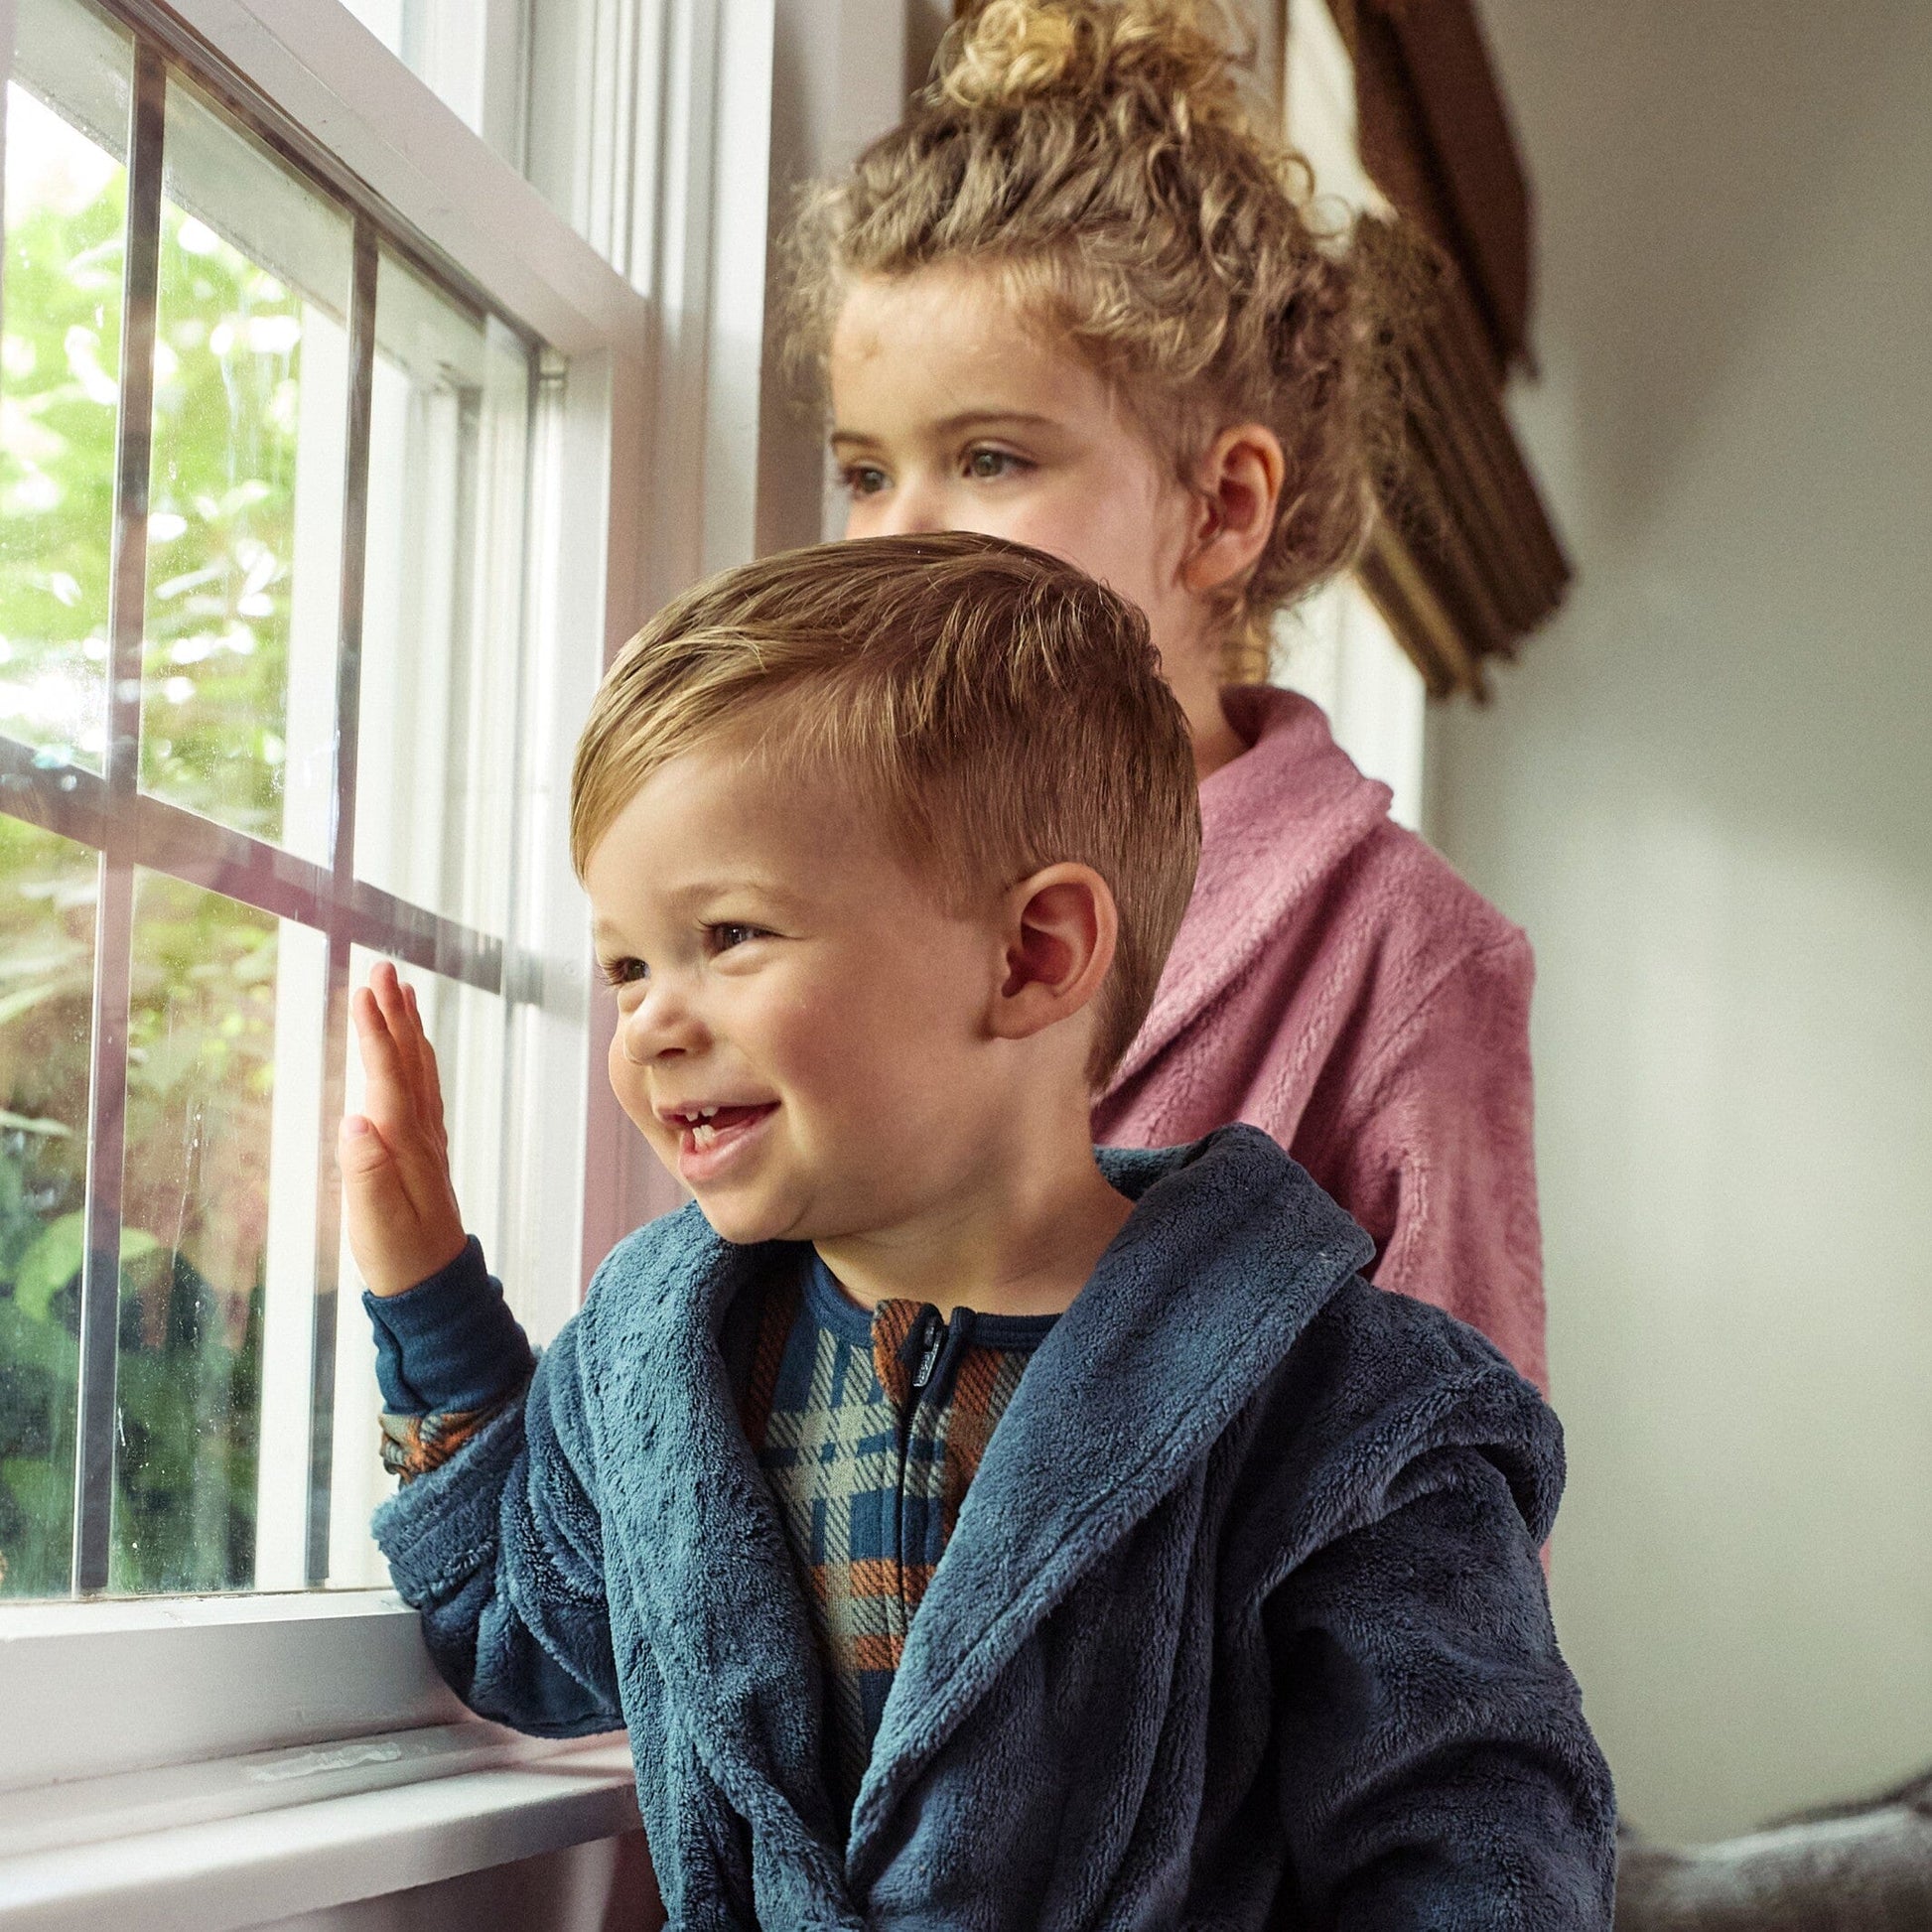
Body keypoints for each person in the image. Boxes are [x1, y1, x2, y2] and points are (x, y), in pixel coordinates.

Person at [340, 531, 1613, 1928]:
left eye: (732, 936)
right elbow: (520, 1631)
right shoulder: (654, 1370)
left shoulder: (1340, 1410)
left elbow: (1475, 1841)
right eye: (628, 963)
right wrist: (426, 1289)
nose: (652, 1018)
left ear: (1032, 956)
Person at [790, 0, 1549, 1388]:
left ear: (1220, 507)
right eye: (861, 471)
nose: (898, 537)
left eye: (992, 458)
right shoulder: (805, 870)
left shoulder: (1404, 953)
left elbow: (1468, 1518)